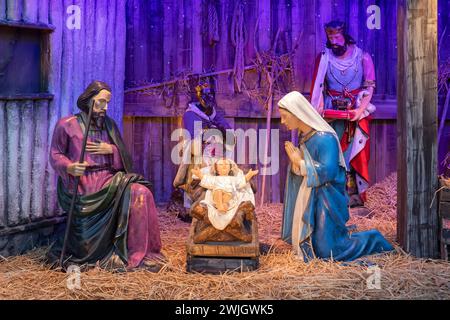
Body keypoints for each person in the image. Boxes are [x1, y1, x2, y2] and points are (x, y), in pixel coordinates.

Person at [47, 81, 164, 271]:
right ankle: (101, 253)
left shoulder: (109, 125)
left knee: (141, 192)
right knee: (84, 242)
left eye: (108, 103)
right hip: (84, 185)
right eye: (101, 102)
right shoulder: (67, 125)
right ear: (88, 100)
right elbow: (55, 154)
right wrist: (70, 167)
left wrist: (111, 149)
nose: (105, 108)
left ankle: (141, 253)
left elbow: (125, 159)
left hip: (110, 179)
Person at [279, 91, 393, 262]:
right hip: (311, 197)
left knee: (329, 251)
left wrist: (300, 163)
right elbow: (305, 170)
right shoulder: (306, 137)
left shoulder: (325, 138)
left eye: (285, 116)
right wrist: (296, 164)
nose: (282, 121)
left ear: (297, 113)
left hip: (327, 200)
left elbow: (329, 171)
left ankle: (374, 239)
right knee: (317, 248)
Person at [310, 20, 376, 207]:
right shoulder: (324, 58)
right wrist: (320, 108)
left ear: (345, 36)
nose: (334, 42)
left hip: (355, 110)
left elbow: (369, 86)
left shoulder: (362, 57)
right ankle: (332, 192)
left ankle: (353, 194)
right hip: (331, 113)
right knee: (332, 150)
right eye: (331, 39)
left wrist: (360, 109)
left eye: (337, 38)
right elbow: (319, 88)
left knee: (352, 152)